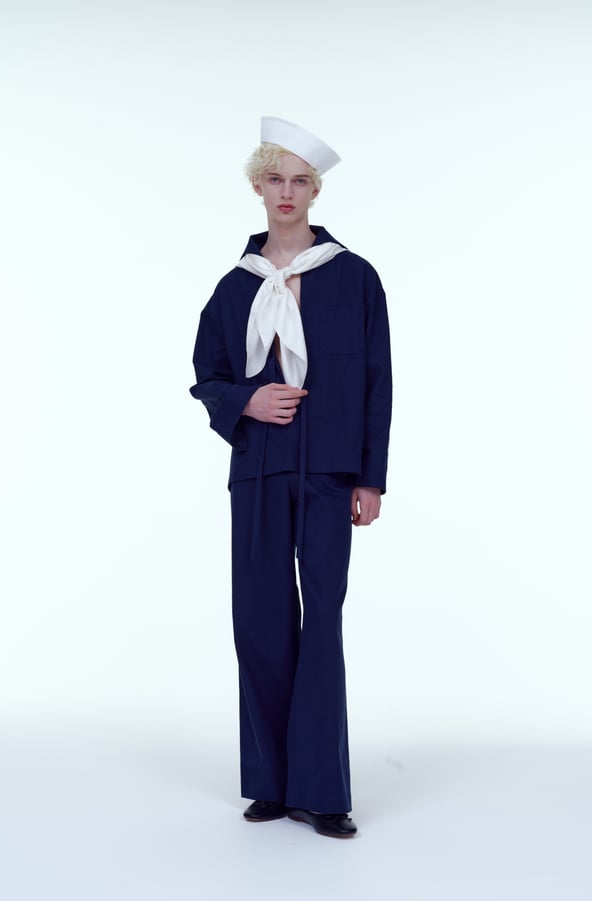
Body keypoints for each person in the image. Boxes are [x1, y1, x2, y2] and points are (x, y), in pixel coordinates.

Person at [190, 116, 392, 839]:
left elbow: (377, 381)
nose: (286, 191)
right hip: (259, 468)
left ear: (315, 190)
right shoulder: (232, 288)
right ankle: (272, 783)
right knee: (261, 619)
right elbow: (207, 374)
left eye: (299, 180)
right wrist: (246, 401)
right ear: (257, 187)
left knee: (323, 620)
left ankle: (323, 790)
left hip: (331, 472)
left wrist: (370, 477)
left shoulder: (355, 277)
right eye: (274, 178)